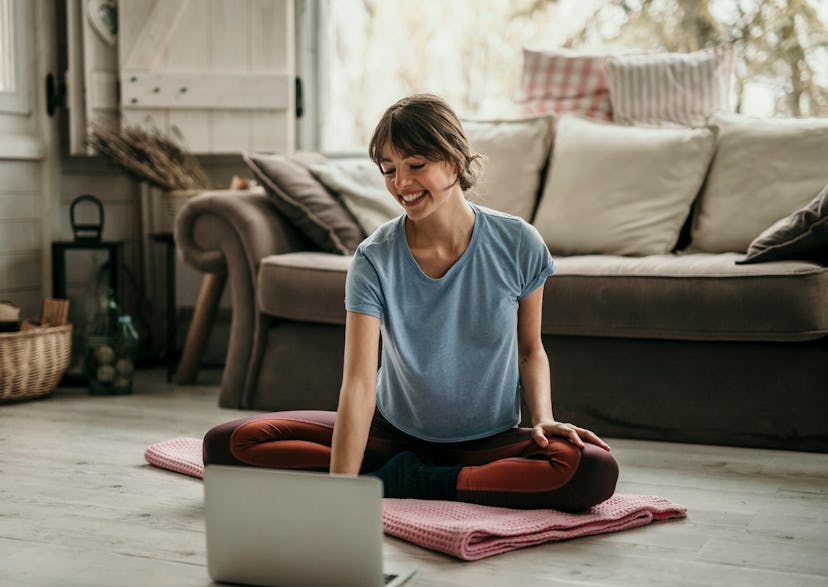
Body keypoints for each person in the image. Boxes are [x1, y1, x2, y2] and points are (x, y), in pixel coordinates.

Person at [203, 94, 618, 511]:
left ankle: (400, 481)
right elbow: (360, 381)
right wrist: (340, 492)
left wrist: (543, 417)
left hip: (487, 440)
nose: (401, 183)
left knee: (592, 467)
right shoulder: (373, 257)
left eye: (416, 165)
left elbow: (530, 350)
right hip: (391, 433)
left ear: (454, 162)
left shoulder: (519, 243)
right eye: (389, 170)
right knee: (228, 445)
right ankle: (435, 482)